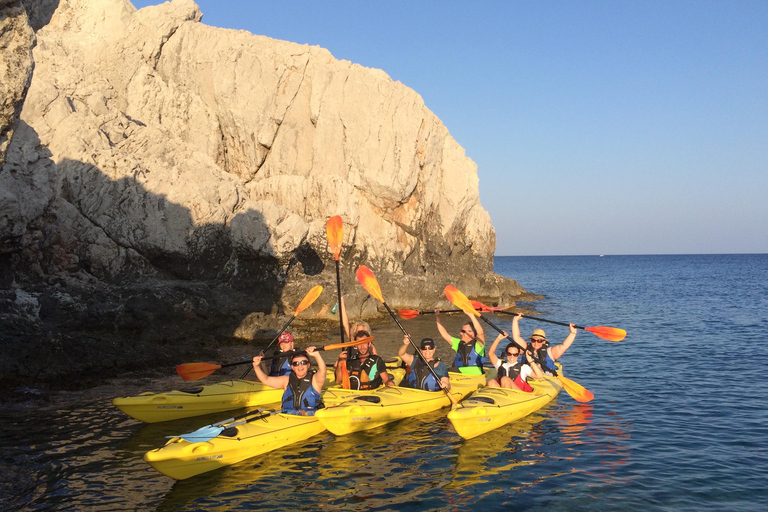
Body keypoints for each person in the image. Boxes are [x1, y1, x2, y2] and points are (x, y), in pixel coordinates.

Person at [251, 347, 326, 416]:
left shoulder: (315, 380)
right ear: (292, 367)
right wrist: (256, 366)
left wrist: (317, 355)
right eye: (296, 363)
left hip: (309, 415)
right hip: (288, 415)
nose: (300, 366)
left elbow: (322, 370)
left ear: (308, 365)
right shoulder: (286, 380)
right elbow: (265, 379)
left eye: (303, 363)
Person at [511, 313, 576, 375]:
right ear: (531, 341)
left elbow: (564, 346)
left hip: (546, 377)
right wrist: (515, 320)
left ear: (544, 342)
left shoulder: (550, 352)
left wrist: (572, 333)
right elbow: (516, 337)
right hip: (529, 376)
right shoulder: (525, 349)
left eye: (539, 341)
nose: (536, 343)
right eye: (534, 340)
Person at [435, 310, 486, 375]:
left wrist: (471, 315)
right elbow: (444, 334)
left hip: (474, 376)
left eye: (463, 331)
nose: (460, 333)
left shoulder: (478, 345)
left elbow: (480, 333)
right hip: (458, 374)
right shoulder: (458, 343)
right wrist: (437, 317)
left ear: (472, 333)